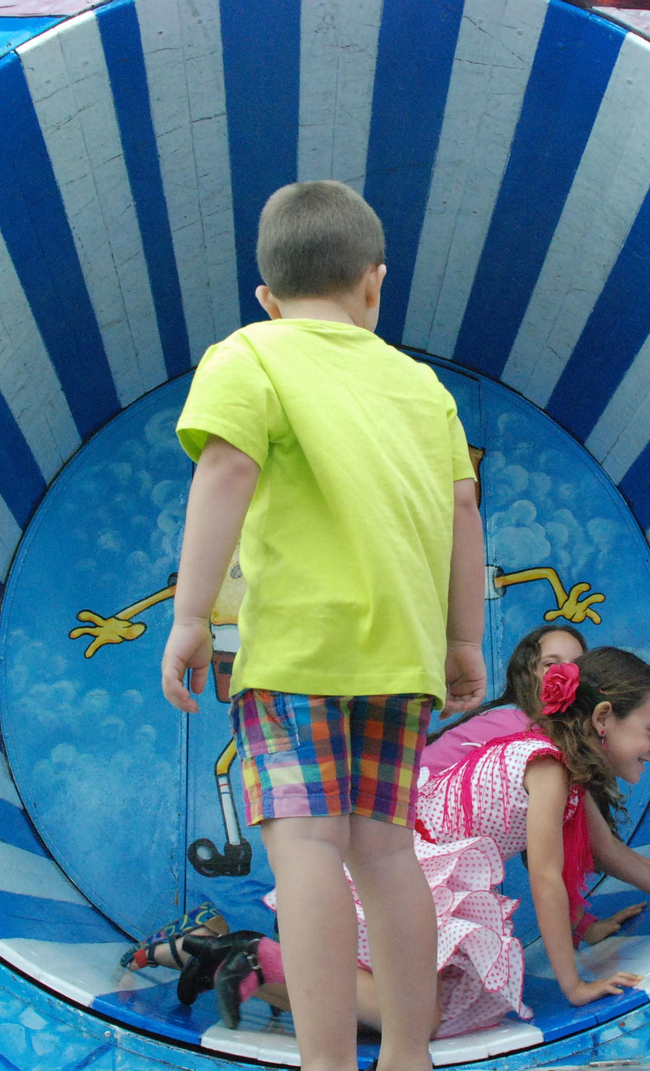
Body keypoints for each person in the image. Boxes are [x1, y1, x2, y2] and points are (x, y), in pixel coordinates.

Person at [162, 179, 486, 1071]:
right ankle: (410, 1055)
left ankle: (329, 1062)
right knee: (385, 850)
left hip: (299, 650)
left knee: (306, 846)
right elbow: (464, 510)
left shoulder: (250, 354)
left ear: (266, 297)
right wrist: (464, 641)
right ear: (375, 283)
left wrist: (192, 616)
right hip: (402, 654)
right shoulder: (423, 387)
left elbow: (225, 468)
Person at [174, 648, 650, 1039]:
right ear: (602, 717)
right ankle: (256, 957)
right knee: (422, 1020)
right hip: (400, 880)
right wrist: (574, 985)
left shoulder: (561, 767)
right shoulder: (543, 766)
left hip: (413, 879)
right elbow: (545, 877)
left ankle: (242, 961)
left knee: (456, 1007)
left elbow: (610, 854)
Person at [421, 624, 586, 776]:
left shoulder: (562, 730)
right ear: (527, 673)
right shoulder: (513, 722)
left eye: (576, 666)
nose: (566, 673)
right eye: (550, 664)